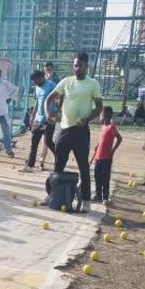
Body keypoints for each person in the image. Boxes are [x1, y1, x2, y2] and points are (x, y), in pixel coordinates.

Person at [45, 52, 103, 213]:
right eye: (75, 65)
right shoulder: (66, 82)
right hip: (65, 130)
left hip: (81, 131)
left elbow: (99, 107)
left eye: (80, 66)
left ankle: (85, 201)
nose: (77, 68)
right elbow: (49, 98)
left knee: (83, 167)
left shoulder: (93, 84)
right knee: (58, 165)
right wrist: (49, 113)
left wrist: (88, 118)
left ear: (86, 67)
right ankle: (52, 195)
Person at [20, 70, 57, 172]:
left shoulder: (51, 85)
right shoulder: (37, 87)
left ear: (41, 78)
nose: (34, 83)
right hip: (38, 119)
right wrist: (32, 116)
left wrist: (56, 111)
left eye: (35, 80)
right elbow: (38, 101)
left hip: (49, 119)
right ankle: (30, 165)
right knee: (34, 142)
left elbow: (60, 97)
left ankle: (60, 158)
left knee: (48, 142)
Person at [89, 106, 122, 204]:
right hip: (98, 157)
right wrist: (97, 145)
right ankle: (98, 195)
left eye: (101, 114)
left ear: (106, 116)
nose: (100, 116)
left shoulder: (111, 127)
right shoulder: (103, 127)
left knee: (105, 178)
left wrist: (113, 151)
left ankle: (105, 197)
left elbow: (119, 138)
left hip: (106, 158)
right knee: (97, 176)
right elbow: (103, 139)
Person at [0, 68, 18, 157]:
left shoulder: (5, 83)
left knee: (6, 133)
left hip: (3, 113)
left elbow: (16, 89)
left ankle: (8, 150)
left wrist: (10, 98)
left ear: (1, 76)